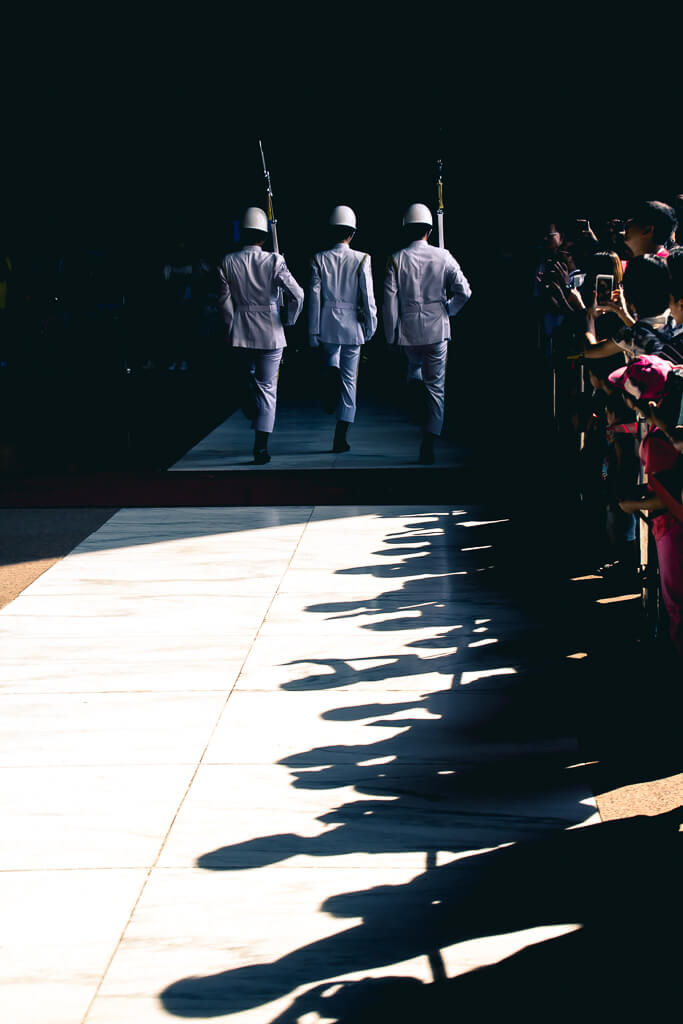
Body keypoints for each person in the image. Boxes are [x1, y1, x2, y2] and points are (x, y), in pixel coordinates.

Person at [382, 203, 471, 464]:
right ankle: (429, 442)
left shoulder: (396, 259)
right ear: (430, 230)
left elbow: (389, 303)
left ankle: (414, 386)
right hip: (437, 328)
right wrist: (448, 310)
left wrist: (390, 336)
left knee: (414, 369)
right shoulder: (443, 256)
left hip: (409, 329)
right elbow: (464, 291)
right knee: (436, 388)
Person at [217, 207, 304, 464]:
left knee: (248, 379)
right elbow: (297, 295)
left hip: (241, 331)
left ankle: (246, 393)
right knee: (268, 389)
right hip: (271, 332)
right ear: (264, 237)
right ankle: (261, 448)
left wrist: (229, 330)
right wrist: (287, 320)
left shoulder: (227, 261)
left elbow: (224, 304)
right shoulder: (275, 261)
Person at [308, 206, 377, 452]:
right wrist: (371, 327)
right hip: (352, 325)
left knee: (332, 358)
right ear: (352, 233)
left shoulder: (319, 258)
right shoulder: (362, 259)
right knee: (350, 382)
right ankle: (340, 436)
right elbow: (367, 297)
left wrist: (312, 332)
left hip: (327, 323)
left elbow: (314, 299)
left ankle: (330, 370)